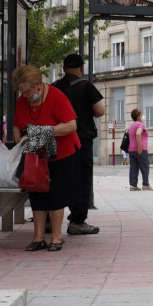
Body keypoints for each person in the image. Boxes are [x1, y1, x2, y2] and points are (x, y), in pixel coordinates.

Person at [11, 65, 80, 252]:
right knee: (37, 192)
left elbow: (71, 125)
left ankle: (56, 236)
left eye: (27, 91)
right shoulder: (22, 101)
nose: (24, 95)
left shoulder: (56, 96)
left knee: (56, 194)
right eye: (21, 92)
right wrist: (20, 137)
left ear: (38, 85)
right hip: (35, 155)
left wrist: (45, 131)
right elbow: (17, 125)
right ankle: (38, 237)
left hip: (61, 152)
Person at [55, 54, 105, 236]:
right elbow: (99, 111)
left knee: (58, 177)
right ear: (81, 68)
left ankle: (48, 221)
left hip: (59, 139)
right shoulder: (86, 86)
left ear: (63, 68)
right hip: (81, 140)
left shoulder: (55, 87)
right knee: (82, 179)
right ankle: (77, 221)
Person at [127, 108, 153, 191]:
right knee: (145, 166)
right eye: (141, 115)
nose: (143, 116)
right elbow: (138, 134)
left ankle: (133, 185)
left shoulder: (131, 125)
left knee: (133, 167)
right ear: (138, 117)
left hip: (131, 149)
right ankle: (146, 184)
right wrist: (139, 147)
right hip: (140, 149)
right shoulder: (140, 124)